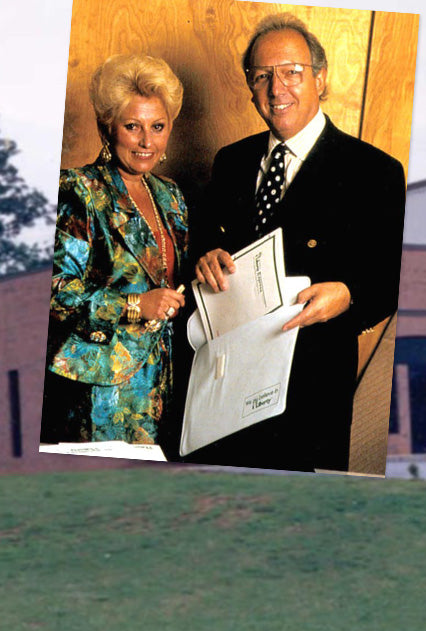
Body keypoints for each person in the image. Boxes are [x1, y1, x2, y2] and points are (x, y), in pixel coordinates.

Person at [187, 13, 406, 472]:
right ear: (250, 87)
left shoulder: (374, 172)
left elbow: (391, 278)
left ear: (320, 79)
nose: (276, 88)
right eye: (262, 75)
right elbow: (202, 238)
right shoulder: (232, 161)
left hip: (309, 386)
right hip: (225, 382)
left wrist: (347, 295)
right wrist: (204, 255)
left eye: (291, 72)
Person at [41, 54, 187, 450]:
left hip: (164, 381)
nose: (146, 141)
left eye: (158, 127)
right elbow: (54, 291)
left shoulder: (170, 196)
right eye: (132, 126)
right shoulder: (80, 191)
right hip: (100, 390)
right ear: (109, 127)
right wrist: (136, 304)